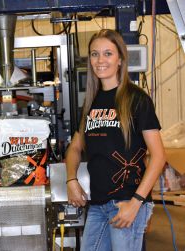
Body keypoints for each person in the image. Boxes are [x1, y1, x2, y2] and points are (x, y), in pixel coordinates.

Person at [65, 29, 166, 251]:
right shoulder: (91, 103)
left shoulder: (137, 99)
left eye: (108, 53)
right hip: (99, 204)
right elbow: (74, 148)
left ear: (120, 59)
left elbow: (159, 156)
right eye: (94, 54)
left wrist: (136, 203)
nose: (100, 60)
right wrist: (71, 180)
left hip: (127, 202)